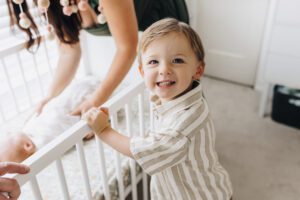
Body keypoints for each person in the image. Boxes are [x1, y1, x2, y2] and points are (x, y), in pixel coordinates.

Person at [83, 18, 233, 200]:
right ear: (142, 71)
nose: (164, 69)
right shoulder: (175, 97)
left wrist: (104, 130)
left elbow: (140, 151)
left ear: (198, 70)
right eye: (153, 62)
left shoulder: (183, 125)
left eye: (177, 60)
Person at [7, 0, 189, 117]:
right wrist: (49, 97)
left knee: (178, 85)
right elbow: (68, 52)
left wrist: (95, 100)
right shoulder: (51, 5)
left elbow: (126, 47)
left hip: (159, 12)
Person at [0, 77, 99, 163]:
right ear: (28, 145)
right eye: (11, 137)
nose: (10, 133)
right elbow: (64, 130)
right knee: (74, 100)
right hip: (78, 103)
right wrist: (85, 128)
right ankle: (94, 90)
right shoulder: (44, 144)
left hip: (63, 102)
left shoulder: (27, 133)